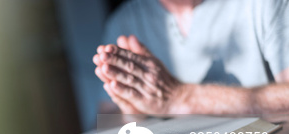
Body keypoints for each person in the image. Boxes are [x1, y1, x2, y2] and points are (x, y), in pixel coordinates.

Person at [92, 0, 289, 115]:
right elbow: (105, 123)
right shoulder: (124, 22)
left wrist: (181, 97)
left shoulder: (265, 5)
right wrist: (135, 112)